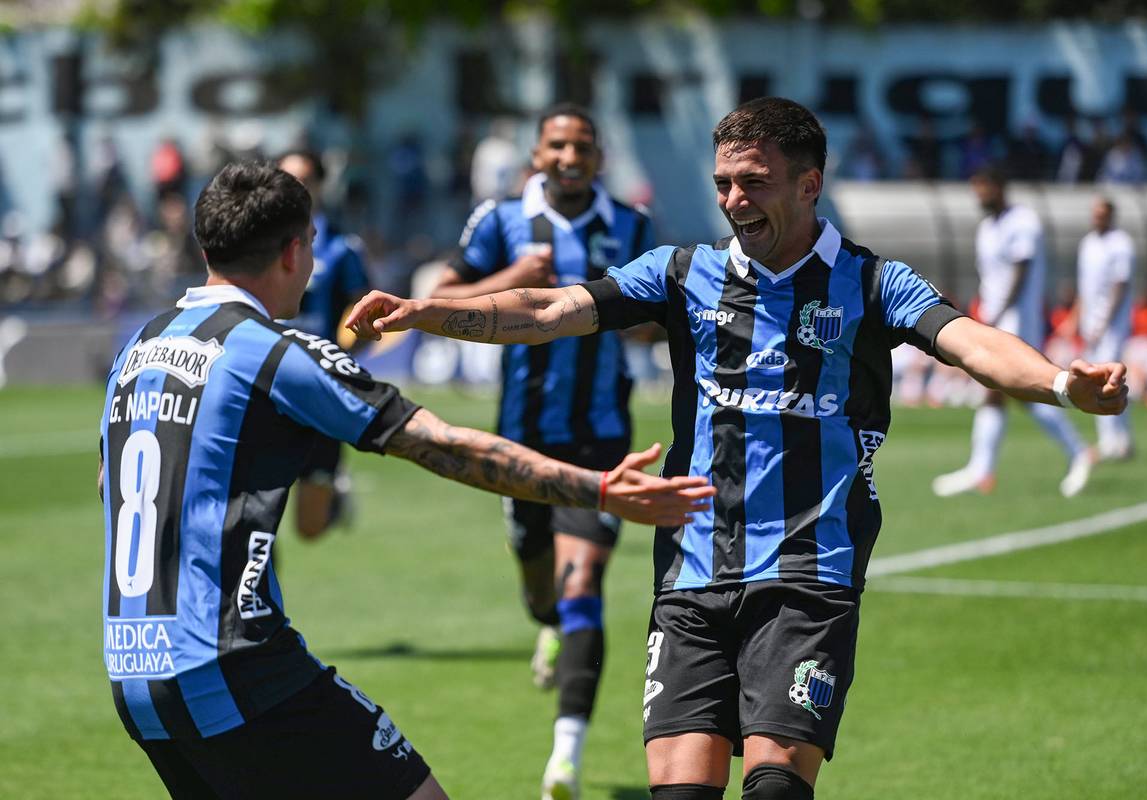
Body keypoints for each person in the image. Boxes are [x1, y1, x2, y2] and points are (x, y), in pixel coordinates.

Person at [345, 98, 1128, 799]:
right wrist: (428, 311)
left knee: (776, 789)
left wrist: (1063, 384)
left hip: (807, 576)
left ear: (810, 185)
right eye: (723, 182)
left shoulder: (873, 281)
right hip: (690, 573)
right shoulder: (683, 273)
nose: (732, 201)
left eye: (753, 182)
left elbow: (971, 342)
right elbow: (551, 308)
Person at [97, 162, 713, 799]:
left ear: (205, 249)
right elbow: (441, 445)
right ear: (294, 250)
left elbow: (108, 487)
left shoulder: (137, 348)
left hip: (133, 675)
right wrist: (600, 489)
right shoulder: (271, 350)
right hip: (235, 663)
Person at [430, 103, 654, 800]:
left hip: (601, 442)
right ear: (537, 154)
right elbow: (440, 298)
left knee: (583, 583)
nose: (569, 157)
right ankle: (550, 625)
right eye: (557, 145)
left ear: (599, 157)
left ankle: (565, 758)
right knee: (542, 593)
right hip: (520, 439)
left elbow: (654, 320)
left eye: (582, 146)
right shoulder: (498, 220)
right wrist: (513, 276)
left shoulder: (632, 227)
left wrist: (643, 324)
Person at [932, 165, 1094, 498]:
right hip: (996, 320)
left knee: (1014, 389)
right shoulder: (987, 227)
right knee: (1007, 393)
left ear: (999, 186)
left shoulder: (1023, 222)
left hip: (1019, 322)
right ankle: (984, 467)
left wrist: (1001, 311)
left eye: (982, 188)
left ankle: (1074, 452)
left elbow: (1020, 270)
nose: (978, 195)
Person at [277, 149, 372, 540]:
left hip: (320, 389)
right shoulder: (254, 243)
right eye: (286, 178)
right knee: (252, 520)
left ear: (318, 185)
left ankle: (333, 496)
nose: (296, 187)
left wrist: (349, 348)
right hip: (266, 384)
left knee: (309, 529)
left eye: (304, 179)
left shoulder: (341, 247)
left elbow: (362, 312)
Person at [1064, 197, 1135, 459]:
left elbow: (1120, 285)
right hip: (1090, 325)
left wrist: (1105, 322)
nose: (1097, 218)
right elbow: (1085, 289)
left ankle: (1111, 440)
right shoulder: (1088, 244)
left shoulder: (1121, 244)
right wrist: (1076, 319)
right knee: (1102, 378)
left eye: (1102, 213)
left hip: (1112, 325)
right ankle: (1122, 439)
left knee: (1105, 379)